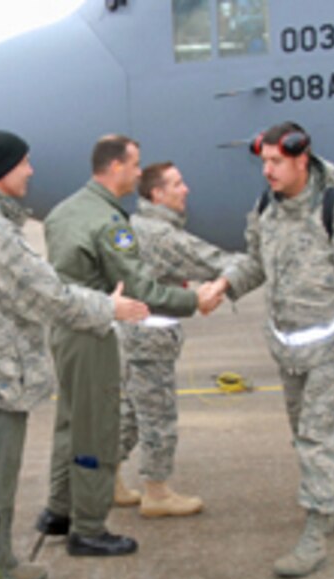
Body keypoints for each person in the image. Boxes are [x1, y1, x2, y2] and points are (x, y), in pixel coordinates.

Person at [0, 130, 150, 579]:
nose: (31, 172)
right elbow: (45, 293)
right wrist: (106, 308)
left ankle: (0, 560)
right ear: (2, 170)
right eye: (24, 164)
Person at [207, 122, 334, 578]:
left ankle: (314, 529)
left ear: (301, 159)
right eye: (263, 161)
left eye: (275, 162)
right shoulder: (266, 206)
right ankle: (327, 503)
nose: (266, 171)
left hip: (329, 346)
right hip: (287, 350)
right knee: (304, 434)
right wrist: (225, 284)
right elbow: (255, 260)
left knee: (314, 436)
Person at [35, 134, 223, 557]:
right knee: (95, 428)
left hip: (66, 328)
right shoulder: (109, 222)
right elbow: (140, 286)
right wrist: (194, 299)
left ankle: (59, 510)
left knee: (69, 422)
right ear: (115, 167)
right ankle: (87, 528)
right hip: (94, 330)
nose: (139, 173)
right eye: (135, 165)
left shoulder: (65, 210)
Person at [116, 161, 246, 517]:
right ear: (157, 194)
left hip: (130, 335)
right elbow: (216, 261)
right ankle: (157, 493)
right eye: (177, 183)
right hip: (152, 338)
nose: (185, 189)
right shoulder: (164, 236)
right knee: (158, 417)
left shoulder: (133, 226)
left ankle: (106, 479)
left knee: (132, 412)